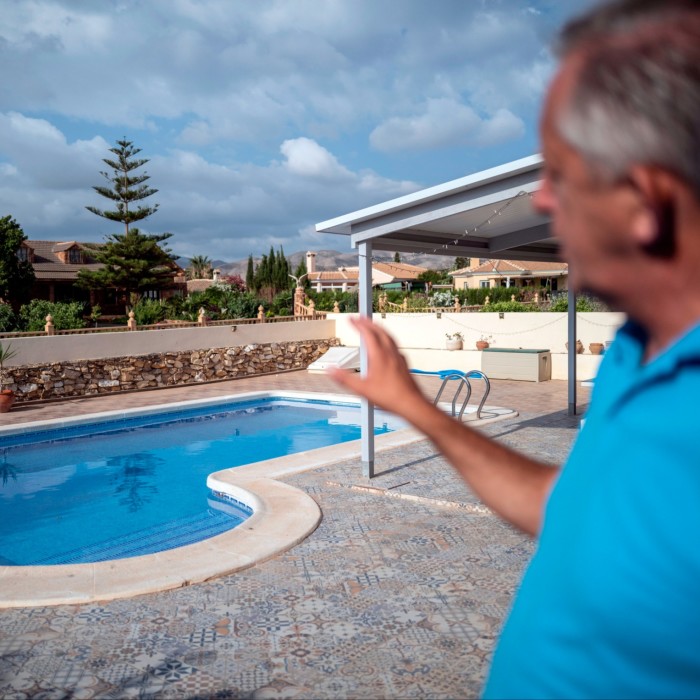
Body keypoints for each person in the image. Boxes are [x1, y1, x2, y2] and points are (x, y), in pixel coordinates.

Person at [330, 1, 700, 697]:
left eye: (560, 173)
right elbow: (576, 512)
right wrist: (420, 410)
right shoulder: (640, 347)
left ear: (645, 201)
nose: (541, 199)